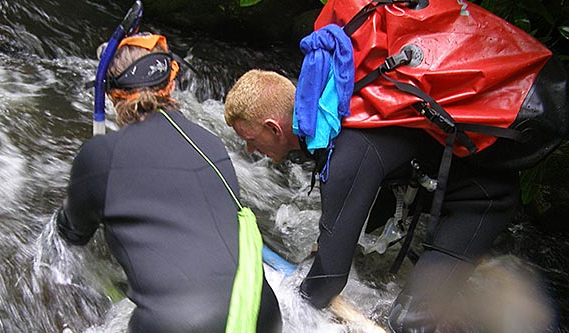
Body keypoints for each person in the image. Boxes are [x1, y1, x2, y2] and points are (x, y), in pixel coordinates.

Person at [223, 69, 520, 332]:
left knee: (407, 323)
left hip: (483, 199)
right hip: (445, 182)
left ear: (274, 128)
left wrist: (286, 303)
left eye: (250, 139)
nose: (249, 150)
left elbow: (326, 283)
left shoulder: (344, 155)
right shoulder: (329, 117)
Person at [56, 33, 282, 333]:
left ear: (112, 94)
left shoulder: (99, 156)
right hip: (261, 312)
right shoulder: (209, 142)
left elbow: (71, 234)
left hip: (177, 326)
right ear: (171, 84)